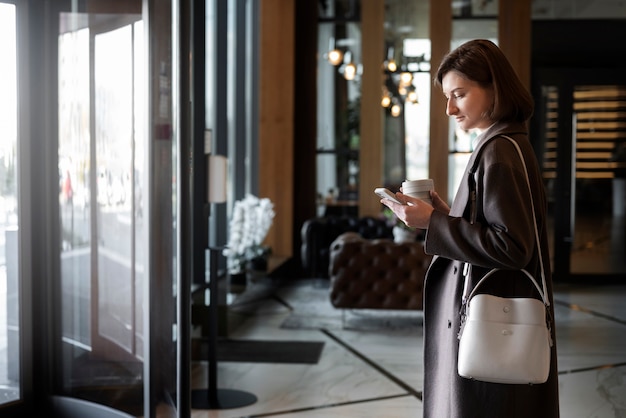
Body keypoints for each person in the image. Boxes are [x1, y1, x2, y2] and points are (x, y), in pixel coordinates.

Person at [380, 39, 560, 417]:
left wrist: (432, 223)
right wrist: (446, 215)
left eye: (459, 94)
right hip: (496, 315)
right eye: (448, 96)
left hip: (493, 321)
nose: (449, 108)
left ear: (494, 88)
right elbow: (503, 228)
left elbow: (512, 246)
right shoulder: (508, 141)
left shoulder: (499, 150)